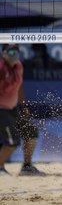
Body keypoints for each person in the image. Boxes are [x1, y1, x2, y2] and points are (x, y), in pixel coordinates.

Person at [0, 44, 46, 176]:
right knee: (12, 142)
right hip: (1, 110)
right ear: (4, 54)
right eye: (11, 51)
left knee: (31, 132)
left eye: (16, 51)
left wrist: (24, 105)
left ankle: (27, 167)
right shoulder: (1, 68)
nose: (14, 53)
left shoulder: (19, 66)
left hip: (13, 109)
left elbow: (19, 87)